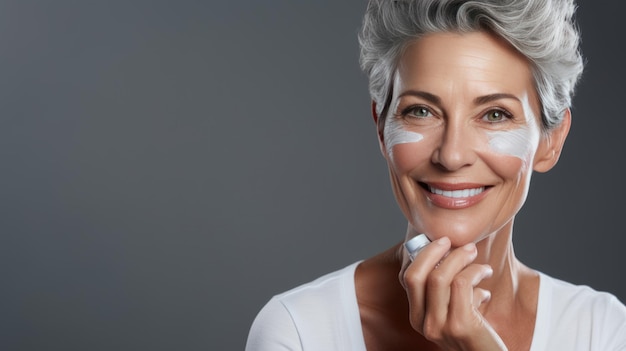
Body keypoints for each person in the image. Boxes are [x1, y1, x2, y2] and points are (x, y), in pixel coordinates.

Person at [245, 0, 626, 350]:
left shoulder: (602, 330)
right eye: (421, 111)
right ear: (381, 128)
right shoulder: (299, 331)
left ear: (551, 140)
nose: (452, 154)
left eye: (495, 114)